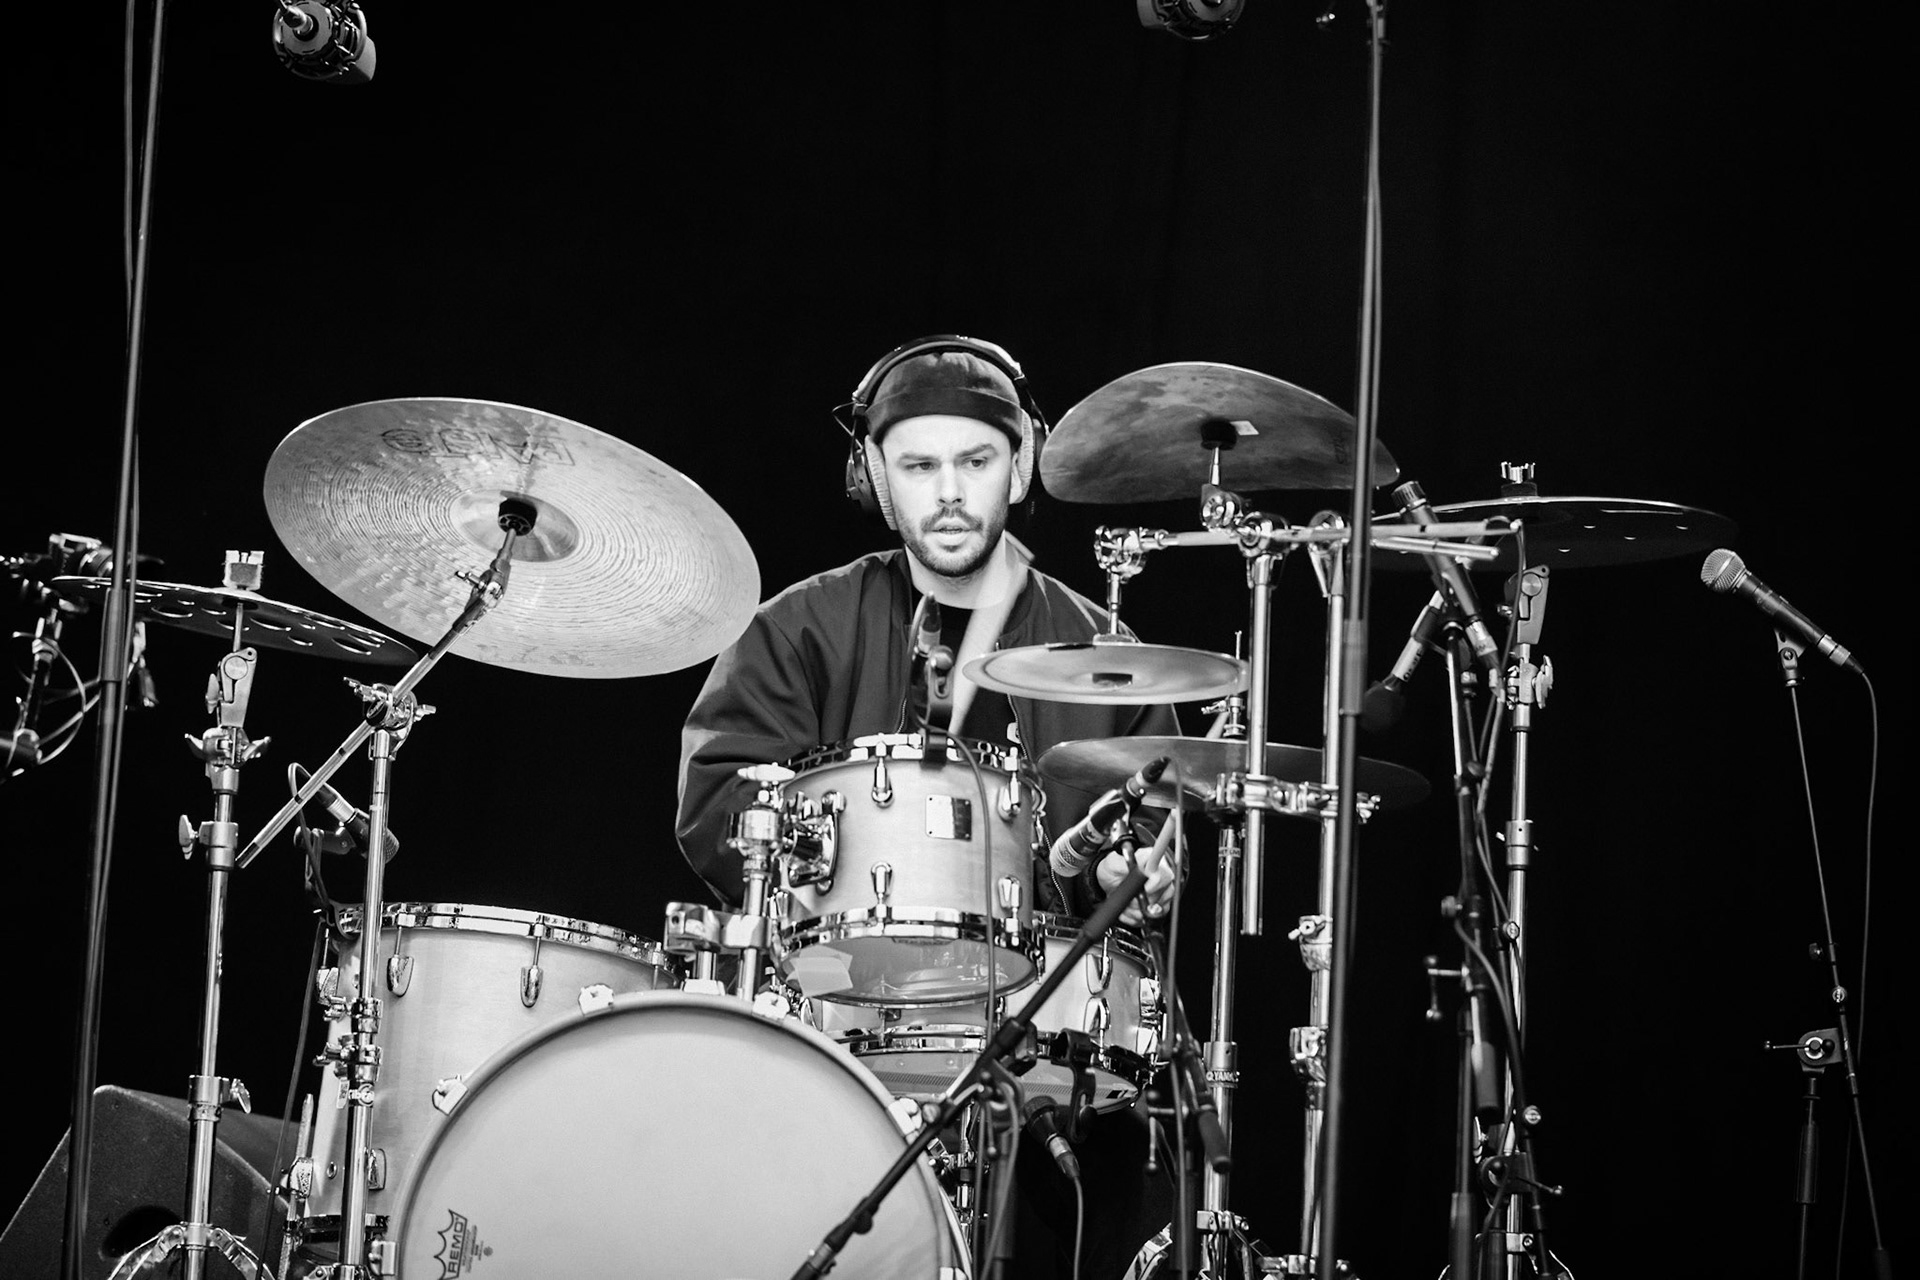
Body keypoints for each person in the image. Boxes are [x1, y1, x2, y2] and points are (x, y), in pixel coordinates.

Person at [675, 335, 1182, 1278]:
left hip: (1049, 1068)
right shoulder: (798, 630)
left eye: (975, 461)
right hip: (834, 1034)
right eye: (918, 465)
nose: (948, 492)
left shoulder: (1105, 653)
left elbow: (1153, 824)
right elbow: (720, 802)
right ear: (874, 473)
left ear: (1023, 461)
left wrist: (1129, 870)